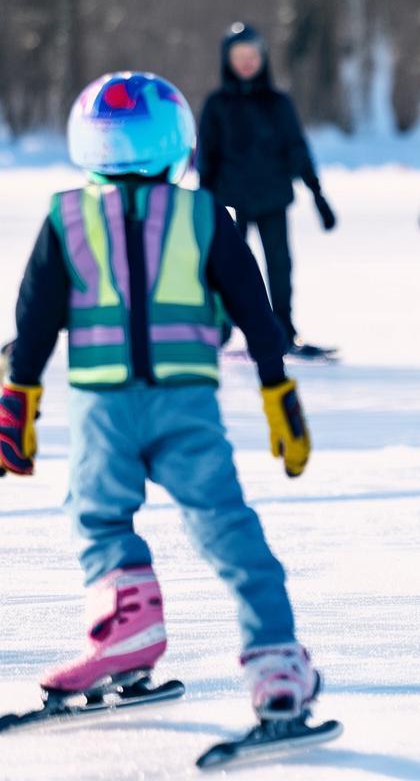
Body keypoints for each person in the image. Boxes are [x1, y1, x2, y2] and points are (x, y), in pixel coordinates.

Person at [0, 72, 321, 724]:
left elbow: (34, 322)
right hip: (184, 405)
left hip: (102, 410)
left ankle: (128, 628)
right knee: (225, 526)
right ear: (180, 141)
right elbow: (257, 314)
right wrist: (277, 392)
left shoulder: (67, 218)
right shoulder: (204, 215)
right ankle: (276, 659)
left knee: (97, 518)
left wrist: (18, 399)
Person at [197, 22, 336, 357]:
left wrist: (317, 194)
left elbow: (297, 149)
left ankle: (283, 328)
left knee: (279, 265)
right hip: (228, 203)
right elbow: (206, 156)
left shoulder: (278, 104)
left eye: (252, 55)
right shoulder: (216, 105)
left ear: (262, 58)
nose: (246, 62)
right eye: (239, 56)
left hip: (272, 198)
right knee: (225, 266)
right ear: (227, 60)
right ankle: (221, 325)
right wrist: (203, 200)